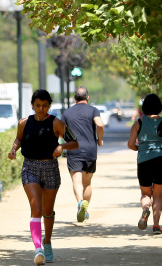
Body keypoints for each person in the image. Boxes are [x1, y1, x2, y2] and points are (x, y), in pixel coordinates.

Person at [8, 89, 78, 265]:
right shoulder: (23, 123)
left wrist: (62, 147)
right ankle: (38, 248)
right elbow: (19, 139)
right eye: (38, 105)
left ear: (49, 106)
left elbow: (75, 142)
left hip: (50, 168)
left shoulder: (56, 123)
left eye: (44, 106)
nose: (41, 109)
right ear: (32, 105)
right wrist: (13, 149)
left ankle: (47, 242)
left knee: (47, 211)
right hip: (30, 167)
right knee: (36, 208)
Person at [127, 93, 162, 234]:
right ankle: (156, 226)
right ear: (159, 107)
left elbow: (130, 144)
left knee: (145, 194)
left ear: (144, 107)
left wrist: (140, 148)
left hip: (144, 160)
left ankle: (145, 209)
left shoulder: (138, 123)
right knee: (158, 194)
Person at [61, 86, 104, 223]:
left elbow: (61, 131)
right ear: (88, 97)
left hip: (74, 150)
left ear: (74, 98)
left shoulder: (67, 113)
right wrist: (100, 139)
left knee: (76, 181)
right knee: (87, 183)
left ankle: (80, 203)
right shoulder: (93, 110)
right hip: (90, 150)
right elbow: (100, 125)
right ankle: (85, 209)